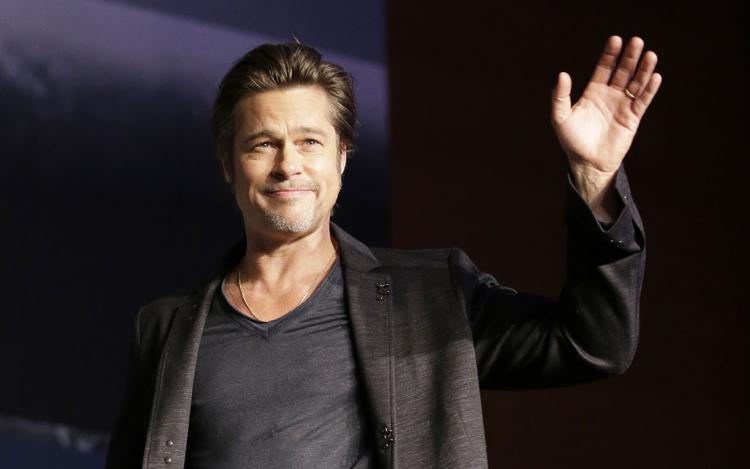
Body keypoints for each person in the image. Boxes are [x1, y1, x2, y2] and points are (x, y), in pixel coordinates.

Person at [105, 36, 661, 469]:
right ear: (229, 165)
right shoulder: (164, 330)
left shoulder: (432, 296)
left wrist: (594, 179)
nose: (287, 165)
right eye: (263, 144)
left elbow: (593, 344)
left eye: (309, 142)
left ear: (342, 158)